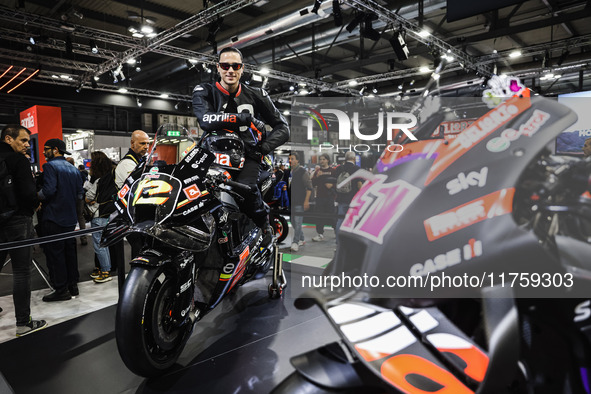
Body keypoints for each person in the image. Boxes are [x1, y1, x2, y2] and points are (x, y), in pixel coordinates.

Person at [192, 46, 289, 236]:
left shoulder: (258, 94)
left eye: (235, 66)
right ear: (218, 68)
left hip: (247, 156)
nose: (230, 70)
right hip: (209, 154)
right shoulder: (204, 90)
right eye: (225, 65)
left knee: (247, 190)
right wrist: (244, 119)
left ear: (242, 68)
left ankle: (264, 227)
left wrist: (263, 148)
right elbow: (205, 120)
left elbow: (283, 128)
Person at [0, 125, 47, 336]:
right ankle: (23, 323)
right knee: (21, 271)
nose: (28, 145)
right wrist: (34, 204)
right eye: (24, 140)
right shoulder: (18, 160)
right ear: (8, 139)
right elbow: (29, 193)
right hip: (18, 220)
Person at [38, 138, 83, 302]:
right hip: (70, 218)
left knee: (55, 254)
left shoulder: (50, 166)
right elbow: (80, 194)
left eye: (46, 149)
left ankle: (61, 289)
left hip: (54, 217)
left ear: (55, 150)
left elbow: (49, 190)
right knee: (70, 253)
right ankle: (73, 286)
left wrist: (36, 197)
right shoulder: (73, 169)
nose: (43, 152)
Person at [112, 130, 150, 264]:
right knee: (139, 251)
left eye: (147, 143)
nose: (146, 146)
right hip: (130, 218)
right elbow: (138, 188)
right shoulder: (127, 164)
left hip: (140, 217)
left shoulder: (140, 161)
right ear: (132, 143)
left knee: (144, 250)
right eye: (142, 143)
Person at [85, 151, 116, 283]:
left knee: (99, 244)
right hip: (108, 214)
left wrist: (89, 199)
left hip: (97, 215)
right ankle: (105, 268)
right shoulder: (112, 178)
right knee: (104, 243)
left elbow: (88, 198)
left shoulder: (98, 181)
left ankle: (105, 271)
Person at [335, 151, 362, 242]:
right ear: (354, 159)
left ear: (345, 158)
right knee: (352, 221)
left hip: (341, 198)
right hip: (353, 199)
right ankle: (349, 241)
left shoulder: (339, 168)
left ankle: (338, 242)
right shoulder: (357, 169)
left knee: (340, 220)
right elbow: (359, 185)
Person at [289, 152, 312, 252]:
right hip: (291, 202)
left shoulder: (303, 172)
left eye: (293, 159)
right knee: (293, 222)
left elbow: (309, 187)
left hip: (300, 201)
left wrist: (306, 201)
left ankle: (295, 242)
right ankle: (302, 238)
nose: (290, 161)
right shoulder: (290, 172)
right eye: (289, 159)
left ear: (297, 160)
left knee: (298, 223)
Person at [311, 153, 336, 242]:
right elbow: (313, 184)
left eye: (323, 159)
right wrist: (317, 177)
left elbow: (337, 183)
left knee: (332, 216)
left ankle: (336, 232)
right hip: (320, 197)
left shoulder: (333, 171)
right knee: (319, 216)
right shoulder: (317, 171)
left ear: (327, 160)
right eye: (320, 159)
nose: (322, 161)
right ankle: (320, 234)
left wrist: (332, 186)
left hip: (329, 197)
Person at [66, 157, 88, 246]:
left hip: (70, 198)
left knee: (70, 218)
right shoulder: (77, 172)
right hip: (79, 198)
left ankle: (70, 239)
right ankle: (83, 238)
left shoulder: (65, 173)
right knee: (81, 217)